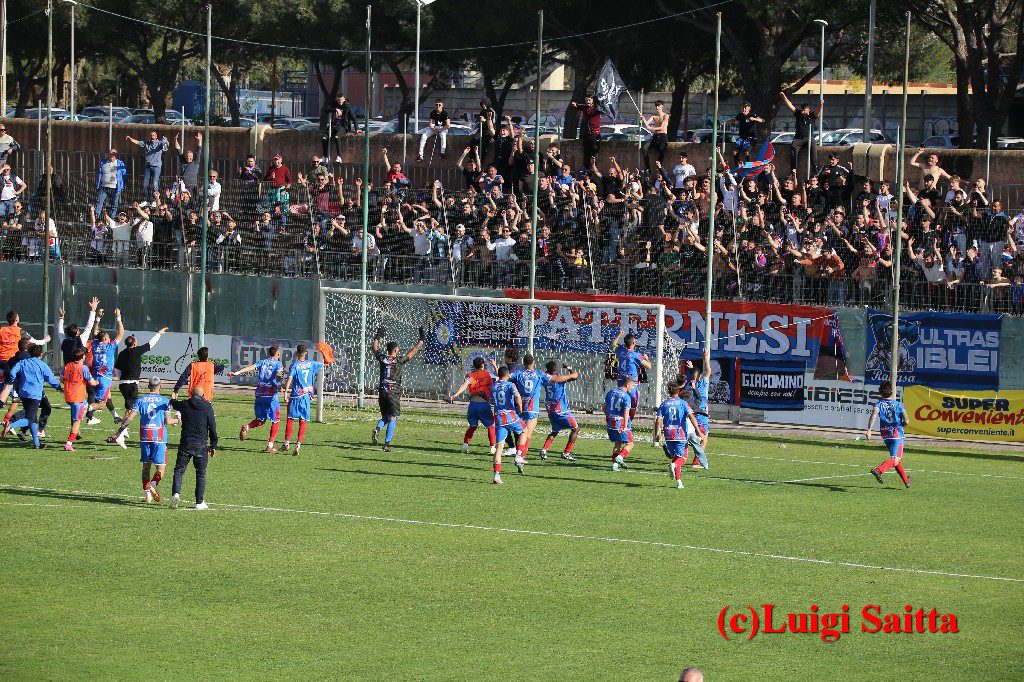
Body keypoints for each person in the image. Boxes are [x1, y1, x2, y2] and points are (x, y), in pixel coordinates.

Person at [111, 377, 179, 504]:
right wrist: (178, 419)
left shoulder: (140, 400)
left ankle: (147, 495)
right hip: (159, 438)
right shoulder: (164, 400)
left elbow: (129, 418)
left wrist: (118, 432)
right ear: (160, 386)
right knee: (160, 468)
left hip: (145, 437)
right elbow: (168, 421)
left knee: (146, 467)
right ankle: (153, 484)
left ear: (148, 386)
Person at [371, 326, 424, 452]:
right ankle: (387, 444)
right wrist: (421, 340)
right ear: (395, 350)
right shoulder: (399, 360)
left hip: (382, 393)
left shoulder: (383, 359)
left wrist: (377, 337)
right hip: (393, 393)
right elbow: (413, 352)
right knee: (392, 418)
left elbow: (374, 349)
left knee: (385, 417)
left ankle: (378, 427)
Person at [0, 345, 61, 449]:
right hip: (35, 394)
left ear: (29, 353)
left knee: (31, 418)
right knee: (30, 419)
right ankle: (10, 424)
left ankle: (37, 444)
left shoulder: (23, 362)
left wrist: (14, 380)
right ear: (40, 354)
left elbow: (13, 372)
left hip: (23, 393)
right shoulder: (42, 365)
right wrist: (58, 387)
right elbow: (51, 379)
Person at [169, 384, 218, 510]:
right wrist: (213, 445)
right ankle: (199, 502)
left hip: (185, 443)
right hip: (201, 445)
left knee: (179, 470)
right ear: (203, 395)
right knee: (200, 473)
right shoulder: (207, 407)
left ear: (191, 393)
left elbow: (174, 403)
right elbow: (212, 427)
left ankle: (176, 493)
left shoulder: (185, 404)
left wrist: (173, 398)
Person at [228, 345, 284, 452]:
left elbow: (250, 367)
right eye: (279, 353)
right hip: (271, 396)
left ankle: (247, 427)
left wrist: (236, 373)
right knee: (275, 420)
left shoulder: (262, 362)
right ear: (277, 354)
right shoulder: (278, 363)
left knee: (260, 420)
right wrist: (279, 385)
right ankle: (270, 445)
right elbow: (278, 375)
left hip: (259, 394)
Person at [653, 381, 704, 490]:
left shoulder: (664, 404)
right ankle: (674, 467)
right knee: (683, 457)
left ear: (668, 392)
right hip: (680, 434)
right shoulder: (682, 403)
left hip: (668, 435)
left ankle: (679, 482)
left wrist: (657, 434)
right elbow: (692, 417)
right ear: (678, 391)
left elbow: (658, 420)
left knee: (675, 458)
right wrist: (698, 431)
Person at [113, 326, 167, 421]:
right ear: (134, 343)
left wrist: (121, 378)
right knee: (131, 410)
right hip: (131, 385)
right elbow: (151, 344)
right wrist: (159, 333)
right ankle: (122, 430)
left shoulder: (122, 353)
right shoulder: (136, 351)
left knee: (129, 409)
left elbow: (116, 368)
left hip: (123, 385)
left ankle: (122, 426)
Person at [281, 344, 327, 456]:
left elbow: (290, 378)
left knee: (290, 419)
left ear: (296, 353)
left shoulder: (295, 365)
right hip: (306, 396)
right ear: (306, 353)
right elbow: (325, 364)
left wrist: (286, 392)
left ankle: (287, 443)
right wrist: (325, 354)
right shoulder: (311, 364)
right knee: (303, 421)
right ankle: (298, 445)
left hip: (296, 396)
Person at [867, 380, 911, 489]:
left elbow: (873, 416)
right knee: (895, 460)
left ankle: (906, 481)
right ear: (891, 392)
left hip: (886, 436)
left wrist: (869, 430)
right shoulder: (899, 405)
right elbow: (907, 420)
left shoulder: (878, 405)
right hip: (897, 435)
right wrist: (902, 424)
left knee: (895, 460)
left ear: (881, 393)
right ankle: (878, 470)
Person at [450, 356, 497, 455]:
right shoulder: (488, 374)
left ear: (474, 366)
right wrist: (494, 366)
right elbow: (499, 377)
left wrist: (456, 394)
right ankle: (492, 447)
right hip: (484, 405)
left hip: (472, 406)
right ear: (483, 365)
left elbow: (464, 385)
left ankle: (465, 445)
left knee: (472, 426)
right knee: (491, 426)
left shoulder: (469, 376)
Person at [86, 309, 125, 426]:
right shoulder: (109, 347)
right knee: (101, 404)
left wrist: (98, 318)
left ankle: (115, 416)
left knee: (108, 396)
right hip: (105, 378)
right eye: (108, 337)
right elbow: (121, 334)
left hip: (95, 376)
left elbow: (95, 333)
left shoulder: (94, 344)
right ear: (105, 339)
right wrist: (119, 318)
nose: (109, 338)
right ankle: (84, 408)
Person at [538, 360, 580, 461]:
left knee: (555, 431)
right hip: (561, 411)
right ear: (555, 369)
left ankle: (544, 450)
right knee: (576, 429)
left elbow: (545, 373)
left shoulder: (545, 380)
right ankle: (566, 452)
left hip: (551, 410)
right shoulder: (559, 379)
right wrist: (569, 367)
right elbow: (575, 376)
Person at [490, 366, 527, 483]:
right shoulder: (510, 385)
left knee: (499, 448)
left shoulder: (493, 386)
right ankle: (518, 455)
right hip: (510, 416)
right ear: (507, 375)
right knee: (524, 430)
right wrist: (520, 407)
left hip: (499, 419)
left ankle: (496, 476)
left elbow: (492, 400)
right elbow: (517, 396)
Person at [611, 329, 652, 423]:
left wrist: (619, 334)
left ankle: (620, 421)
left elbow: (613, 345)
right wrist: (647, 358)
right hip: (631, 383)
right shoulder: (636, 355)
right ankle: (628, 423)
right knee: (633, 404)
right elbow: (649, 366)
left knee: (622, 402)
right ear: (634, 342)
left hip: (621, 381)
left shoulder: (620, 350)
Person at [61, 348, 98, 452]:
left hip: (68, 395)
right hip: (77, 398)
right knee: (76, 421)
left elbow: (61, 379)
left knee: (86, 406)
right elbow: (91, 382)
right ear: (82, 357)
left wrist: (70, 384)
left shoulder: (68, 365)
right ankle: (69, 443)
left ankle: (85, 419)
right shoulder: (83, 368)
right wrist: (96, 382)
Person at [780, 92, 822, 177]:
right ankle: (793, 170)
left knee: (813, 147)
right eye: (802, 110)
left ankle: (815, 167)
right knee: (793, 151)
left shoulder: (812, 115)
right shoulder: (798, 114)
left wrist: (821, 105)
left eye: (804, 110)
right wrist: (784, 97)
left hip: (808, 138)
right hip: (798, 139)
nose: (802, 112)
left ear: (808, 109)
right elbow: (791, 106)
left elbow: (817, 112)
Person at [683, 347, 712, 461]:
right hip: (701, 415)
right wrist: (705, 358)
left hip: (690, 415)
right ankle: (696, 461)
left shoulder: (688, 385)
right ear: (700, 376)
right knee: (704, 438)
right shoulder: (703, 383)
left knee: (691, 436)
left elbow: (694, 375)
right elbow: (709, 371)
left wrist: (691, 369)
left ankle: (680, 453)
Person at [126, 131, 169, 203]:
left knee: (155, 183)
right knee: (145, 183)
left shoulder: (160, 143)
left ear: (156, 136)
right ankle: (145, 199)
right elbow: (138, 142)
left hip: (156, 166)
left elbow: (165, 146)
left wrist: (166, 142)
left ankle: (155, 200)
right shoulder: (147, 143)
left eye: (153, 135)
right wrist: (130, 139)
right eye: (151, 135)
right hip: (148, 166)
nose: (152, 137)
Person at [605, 377, 635, 471]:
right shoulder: (626, 396)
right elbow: (626, 412)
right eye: (632, 386)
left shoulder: (611, 391)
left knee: (617, 444)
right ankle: (621, 457)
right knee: (630, 444)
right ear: (627, 385)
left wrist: (609, 417)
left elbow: (604, 407)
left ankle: (615, 465)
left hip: (610, 422)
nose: (632, 388)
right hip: (620, 422)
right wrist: (625, 426)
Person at [319, 94, 358, 161]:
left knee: (336, 137)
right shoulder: (334, 104)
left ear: (344, 99)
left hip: (342, 126)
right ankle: (325, 156)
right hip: (333, 126)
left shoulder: (347, 106)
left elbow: (353, 117)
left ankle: (339, 157)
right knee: (324, 137)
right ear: (337, 100)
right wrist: (335, 109)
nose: (340, 102)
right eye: (338, 100)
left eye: (341, 100)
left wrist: (357, 129)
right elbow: (325, 110)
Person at [570, 95, 602, 167]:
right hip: (587, 134)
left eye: (589, 100)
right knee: (586, 152)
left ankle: (594, 167)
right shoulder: (585, 107)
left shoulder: (596, 108)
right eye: (586, 100)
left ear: (593, 101)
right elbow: (579, 105)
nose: (588, 102)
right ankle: (586, 167)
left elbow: (600, 109)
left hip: (595, 134)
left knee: (594, 152)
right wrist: (575, 104)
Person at [95, 148, 127, 218]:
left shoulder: (120, 163)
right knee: (99, 202)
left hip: (114, 188)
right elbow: (100, 173)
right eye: (111, 153)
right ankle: (96, 219)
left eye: (114, 154)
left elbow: (124, 175)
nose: (112, 155)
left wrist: (121, 185)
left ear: (116, 155)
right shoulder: (103, 162)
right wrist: (98, 184)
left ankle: (110, 221)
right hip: (104, 186)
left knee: (113, 205)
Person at [642, 100, 669, 173]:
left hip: (663, 135)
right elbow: (647, 124)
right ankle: (648, 168)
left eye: (659, 106)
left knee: (662, 149)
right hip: (656, 136)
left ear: (662, 106)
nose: (657, 107)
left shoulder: (665, 116)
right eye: (656, 106)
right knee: (644, 148)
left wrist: (651, 128)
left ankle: (659, 168)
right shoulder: (654, 117)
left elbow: (662, 128)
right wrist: (644, 120)